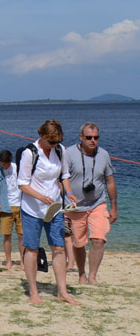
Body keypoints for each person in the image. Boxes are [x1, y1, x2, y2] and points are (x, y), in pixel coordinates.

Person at [18, 119, 81, 306]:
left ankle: (62, 291)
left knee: (59, 247)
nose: (54, 145)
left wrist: (69, 194)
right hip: (32, 208)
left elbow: (65, 176)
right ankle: (33, 292)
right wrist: (40, 197)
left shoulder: (60, 150)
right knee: (32, 248)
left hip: (54, 208)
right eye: (51, 142)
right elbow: (22, 184)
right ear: (42, 136)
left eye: (57, 141)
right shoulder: (30, 153)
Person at [66, 122, 118, 285]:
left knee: (98, 239)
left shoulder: (103, 154)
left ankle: (93, 276)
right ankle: (81, 274)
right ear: (81, 137)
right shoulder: (69, 154)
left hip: (98, 203)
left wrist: (114, 206)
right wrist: (66, 197)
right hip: (76, 206)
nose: (93, 141)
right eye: (89, 137)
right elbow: (62, 179)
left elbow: (109, 180)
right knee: (78, 242)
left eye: (96, 138)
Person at [0, 149, 24, 269]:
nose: (6, 166)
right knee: (7, 236)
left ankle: (23, 262)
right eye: (4, 164)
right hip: (5, 208)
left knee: (22, 236)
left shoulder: (19, 168)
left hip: (21, 207)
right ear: (0, 161)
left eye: (7, 163)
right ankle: (9, 261)